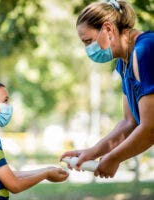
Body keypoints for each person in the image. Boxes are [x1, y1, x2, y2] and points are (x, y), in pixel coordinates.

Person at [60, 0, 154, 178]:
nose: (88, 49)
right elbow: (129, 122)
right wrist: (92, 152)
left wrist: (113, 158)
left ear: (108, 29)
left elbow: (150, 128)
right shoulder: (124, 63)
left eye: (88, 41)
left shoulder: (146, 50)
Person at [0, 80, 69, 199]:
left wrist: (46, 170)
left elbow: (7, 175)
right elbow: (14, 185)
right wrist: (45, 175)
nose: (9, 106)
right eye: (5, 100)